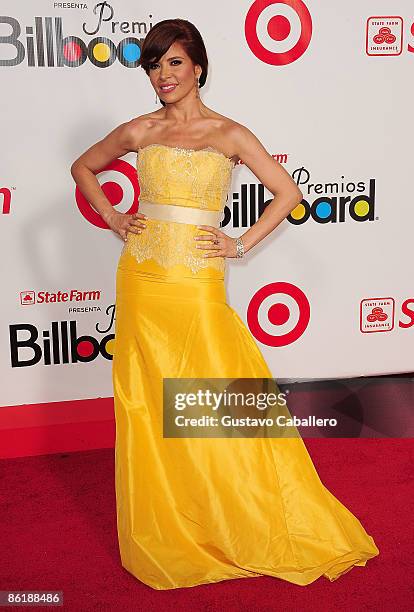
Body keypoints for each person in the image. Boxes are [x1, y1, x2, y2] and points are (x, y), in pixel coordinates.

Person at [71, 18, 379, 591]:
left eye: (174, 63)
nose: (163, 75)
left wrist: (240, 243)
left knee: (211, 393)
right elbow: (82, 167)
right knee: (148, 404)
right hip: (142, 278)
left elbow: (286, 193)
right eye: (155, 65)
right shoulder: (139, 130)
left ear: (199, 67)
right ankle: (171, 519)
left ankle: (228, 509)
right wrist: (115, 217)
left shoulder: (229, 133)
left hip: (197, 284)